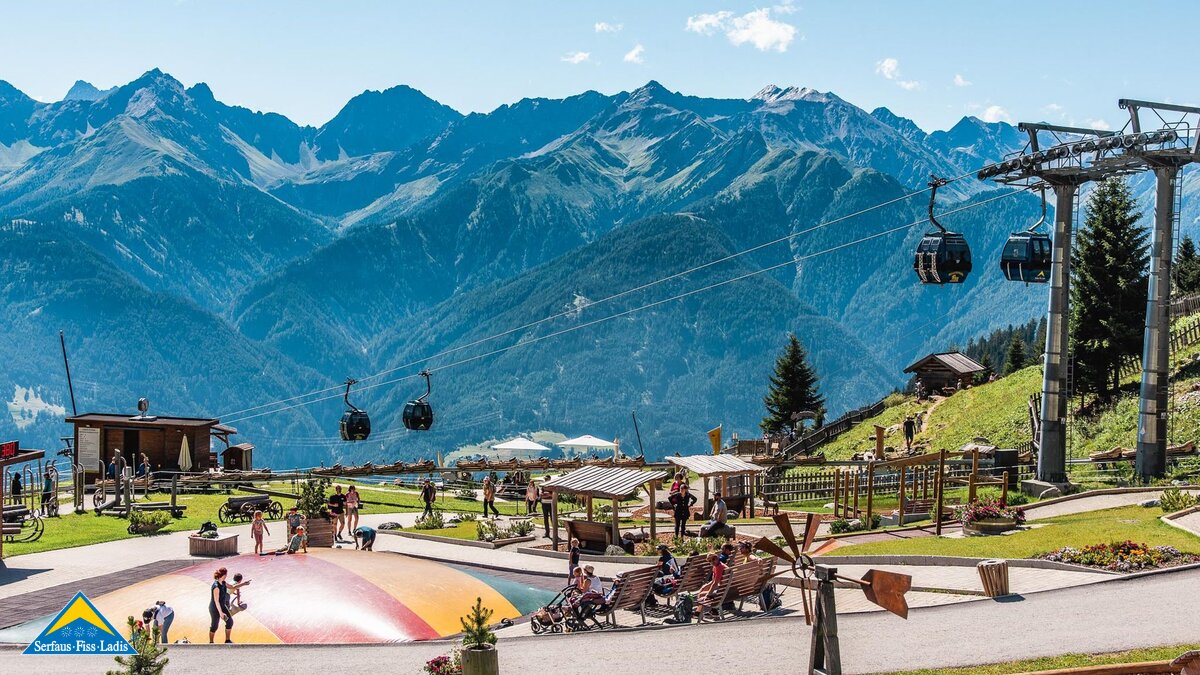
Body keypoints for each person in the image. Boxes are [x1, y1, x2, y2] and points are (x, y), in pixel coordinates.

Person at [695, 553, 727, 621]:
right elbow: (713, 581)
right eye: (710, 561)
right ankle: (712, 611)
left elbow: (715, 583)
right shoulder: (717, 566)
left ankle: (698, 613)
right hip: (726, 589)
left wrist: (708, 594)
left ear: (717, 558)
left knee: (702, 595)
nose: (712, 562)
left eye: (713, 559)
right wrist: (705, 587)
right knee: (703, 591)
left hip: (724, 591)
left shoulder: (719, 567)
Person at [208, 567, 233, 644]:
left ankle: (227, 640)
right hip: (214, 608)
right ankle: (211, 642)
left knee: (230, 622)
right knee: (214, 626)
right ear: (224, 575)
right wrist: (221, 613)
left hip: (222, 606)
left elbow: (232, 587)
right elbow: (216, 601)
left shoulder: (223, 583)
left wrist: (243, 584)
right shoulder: (216, 586)